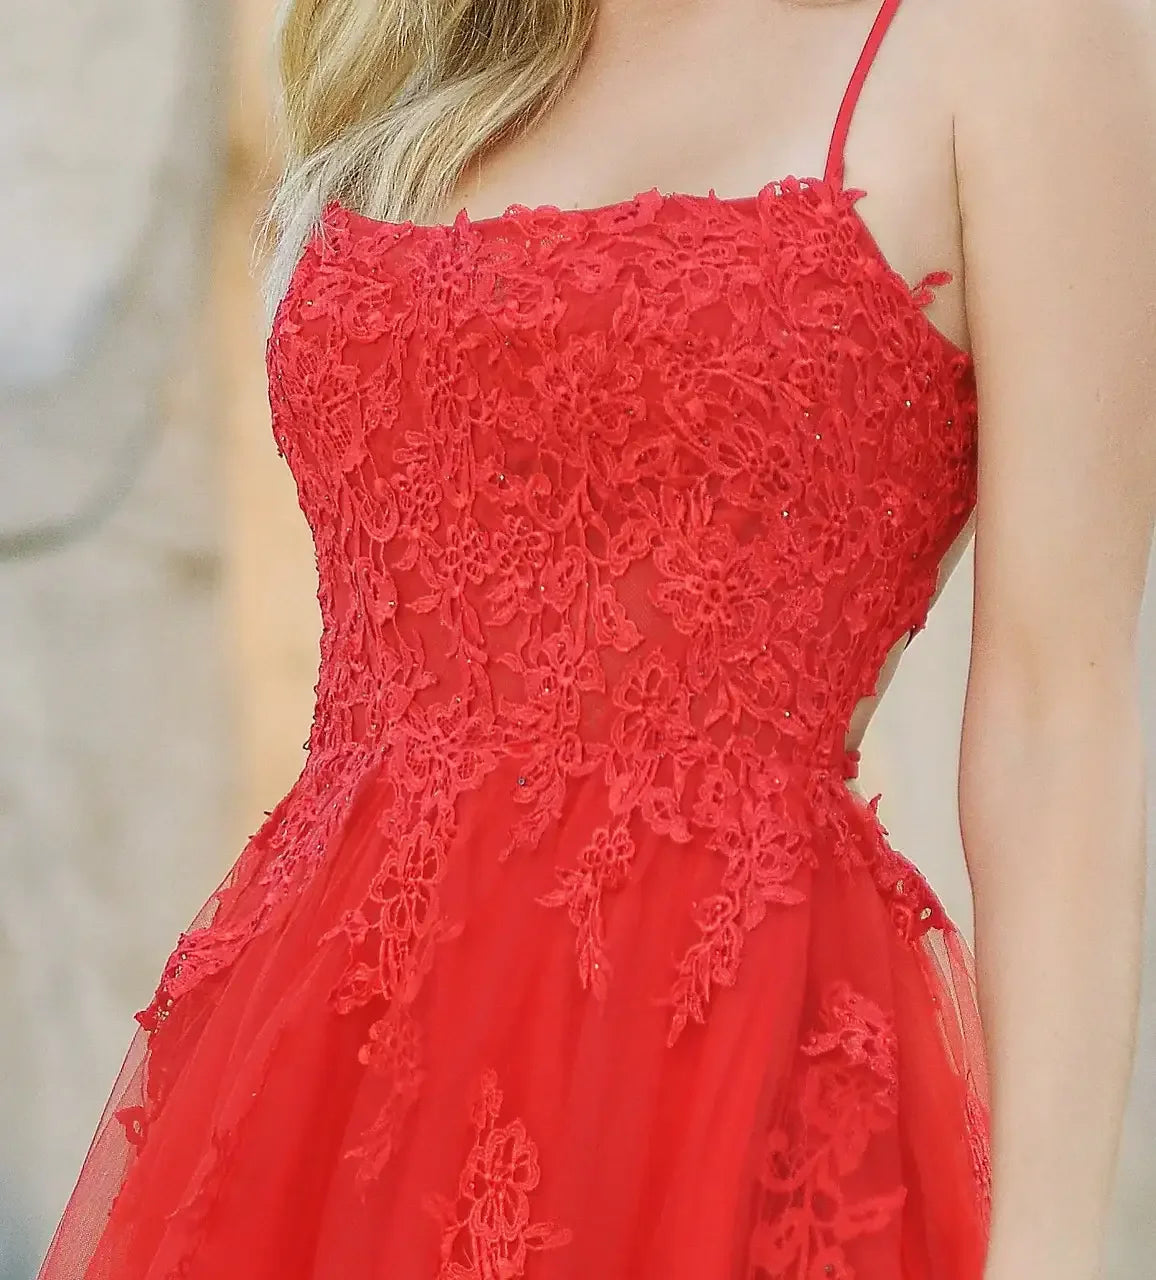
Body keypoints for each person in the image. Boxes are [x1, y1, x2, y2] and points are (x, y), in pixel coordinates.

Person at [37, 0, 1156, 1277]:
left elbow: (1054, 713)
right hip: (325, 1072)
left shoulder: (1020, 39)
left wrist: (1048, 1251)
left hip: (710, 1066)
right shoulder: (437, 40)